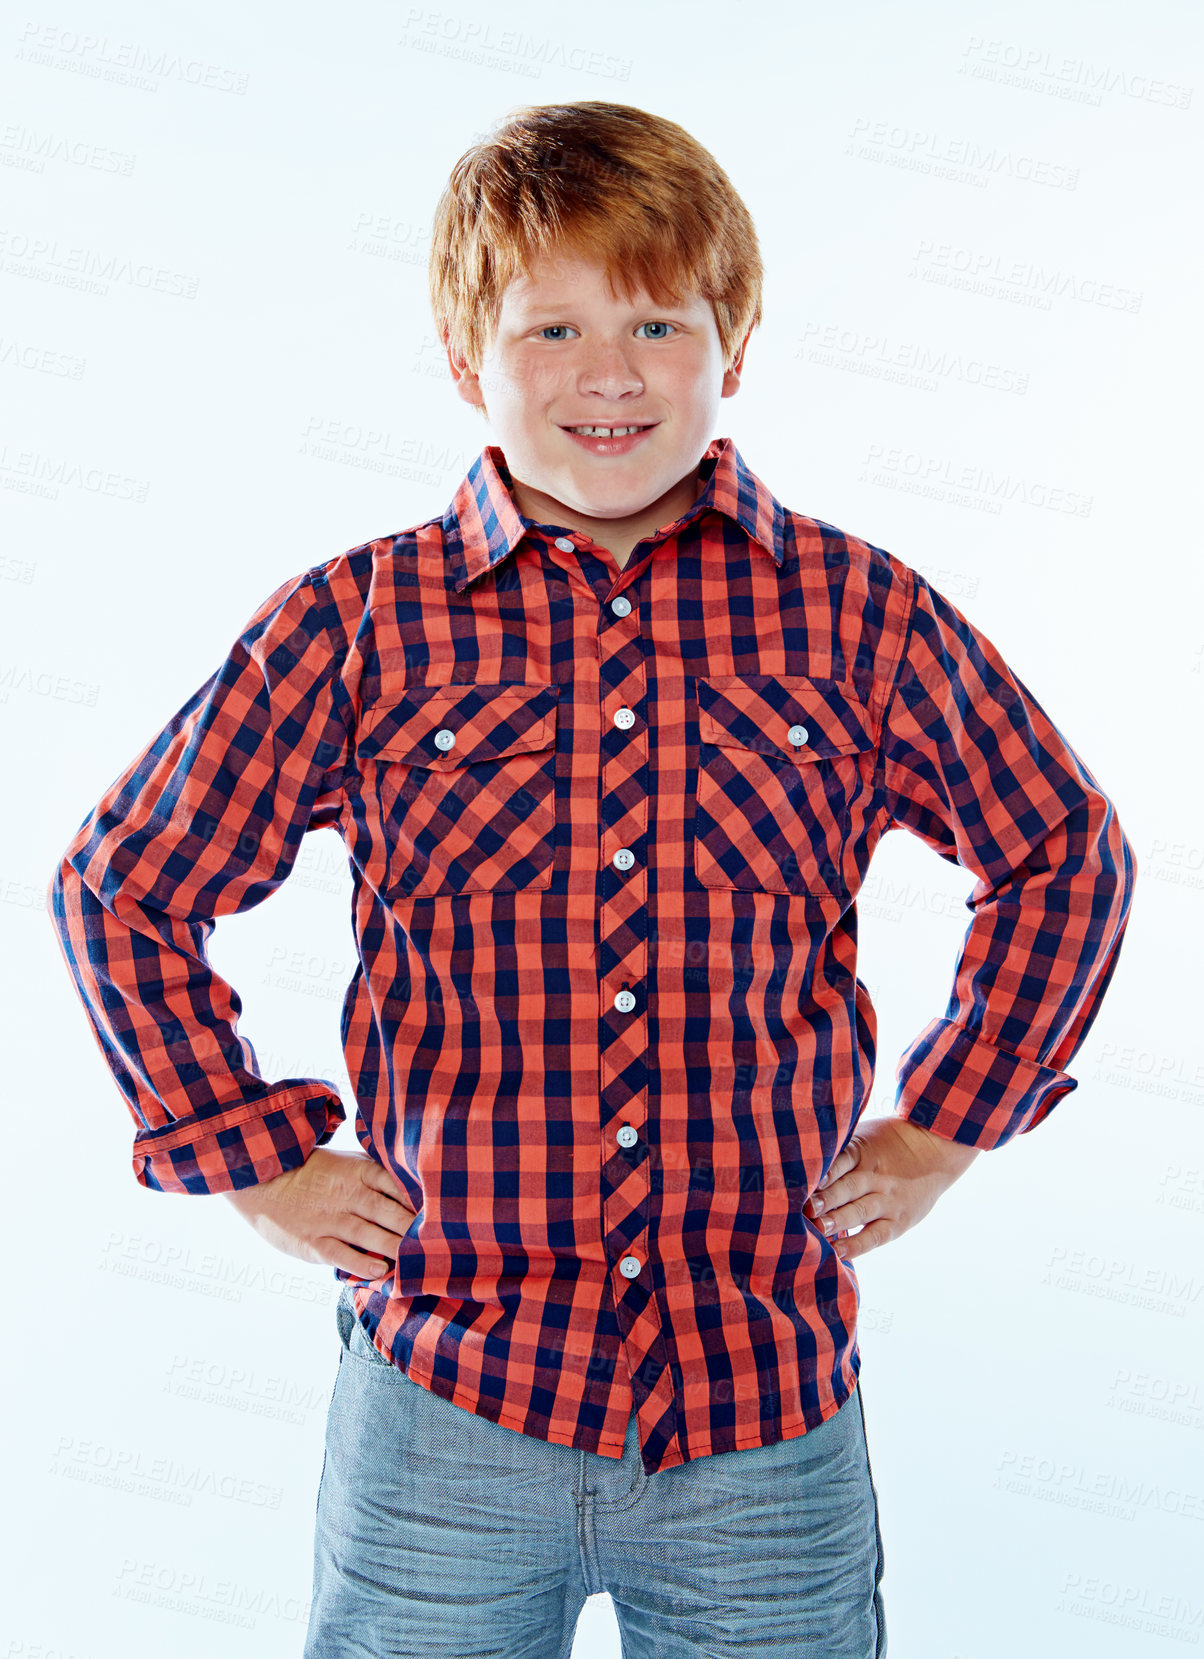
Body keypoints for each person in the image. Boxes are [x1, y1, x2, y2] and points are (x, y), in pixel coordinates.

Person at [46, 100, 1137, 1658]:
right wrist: (252, 1161)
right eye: (550, 325)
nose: (608, 372)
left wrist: (951, 1125)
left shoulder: (857, 617)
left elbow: (1061, 850)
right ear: (461, 358)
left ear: (732, 347)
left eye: (656, 322)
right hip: (447, 1402)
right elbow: (125, 885)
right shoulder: (363, 622)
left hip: (760, 1415)